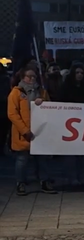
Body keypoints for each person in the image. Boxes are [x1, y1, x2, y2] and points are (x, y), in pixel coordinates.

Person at [8, 67, 57, 196]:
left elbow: (50, 108)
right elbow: (12, 114)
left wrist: (43, 102)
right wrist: (24, 130)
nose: (32, 79)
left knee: (42, 159)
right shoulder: (16, 93)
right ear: (22, 77)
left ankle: (44, 181)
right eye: (29, 76)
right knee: (22, 160)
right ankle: (20, 183)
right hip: (23, 133)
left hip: (40, 131)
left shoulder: (41, 92)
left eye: (34, 76)